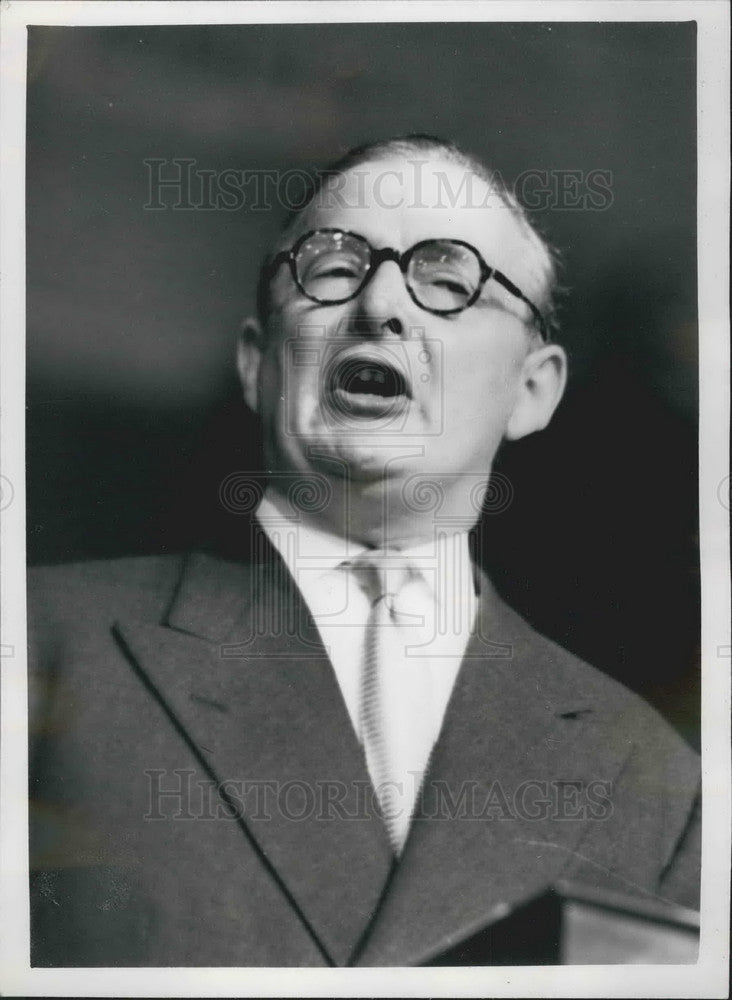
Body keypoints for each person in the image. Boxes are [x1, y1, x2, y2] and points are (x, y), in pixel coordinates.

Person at [28, 135, 700, 967]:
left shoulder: (653, 778)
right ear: (257, 362)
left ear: (533, 390)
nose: (381, 304)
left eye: (448, 280)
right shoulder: (38, 643)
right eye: (335, 268)